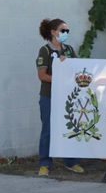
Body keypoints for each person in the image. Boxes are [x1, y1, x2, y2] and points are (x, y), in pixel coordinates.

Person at [36, 18, 84, 176]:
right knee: (48, 129)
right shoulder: (45, 50)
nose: (65, 34)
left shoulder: (68, 49)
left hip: (67, 98)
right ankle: (44, 163)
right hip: (49, 96)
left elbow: (76, 69)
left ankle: (71, 161)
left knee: (69, 127)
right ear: (53, 32)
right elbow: (42, 76)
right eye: (63, 31)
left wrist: (68, 64)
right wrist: (60, 76)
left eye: (67, 31)